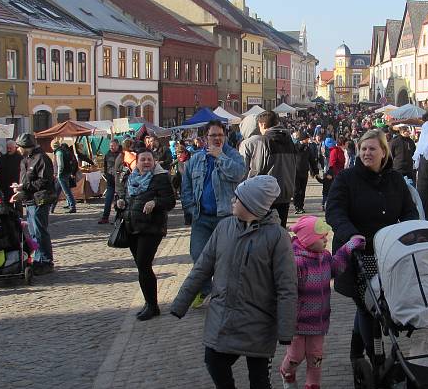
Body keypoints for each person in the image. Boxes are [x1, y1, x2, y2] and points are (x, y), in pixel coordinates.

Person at [170, 175, 297, 389]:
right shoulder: (224, 227)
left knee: (259, 379)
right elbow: (202, 267)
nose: (232, 200)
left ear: (252, 205)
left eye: (238, 198)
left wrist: (287, 329)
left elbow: (287, 286)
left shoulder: (277, 237)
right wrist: (181, 302)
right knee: (213, 361)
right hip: (223, 315)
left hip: (259, 320)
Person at [326, 129, 418, 362]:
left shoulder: (395, 180)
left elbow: (409, 211)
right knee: (368, 306)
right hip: (357, 251)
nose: (367, 153)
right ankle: (375, 357)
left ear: (384, 152)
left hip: (388, 252)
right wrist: (351, 235)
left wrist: (406, 233)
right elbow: (334, 211)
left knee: (373, 304)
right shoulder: (346, 178)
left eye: (372, 148)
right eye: (363, 148)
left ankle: (356, 352)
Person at [279, 215, 364, 389]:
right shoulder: (296, 263)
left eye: (326, 237)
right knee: (295, 356)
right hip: (298, 324)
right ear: (308, 239)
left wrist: (349, 248)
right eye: (322, 237)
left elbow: (336, 267)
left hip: (318, 323)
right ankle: (286, 372)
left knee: (315, 359)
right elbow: (285, 291)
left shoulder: (325, 258)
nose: (326, 240)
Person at [181, 120, 247, 307]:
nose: (217, 138)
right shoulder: (195, 159)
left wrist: (220, 157)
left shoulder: (233, 155)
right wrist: (191, 209)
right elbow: (186, 187)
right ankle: (205, 289)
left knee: (225, 259)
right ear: (205, 138)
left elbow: (239, 174)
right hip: (201, 217)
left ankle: (224, 296)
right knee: (198, 255)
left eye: (220, 135)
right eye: (213, 135)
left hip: (226, 217)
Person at [117, 149, 176, 320]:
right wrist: (119, 203)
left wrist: (155, 202)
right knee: (142, 267)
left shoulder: (161, 178)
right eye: (143, 159)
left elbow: (170, 201)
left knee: (144, 264)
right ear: (137, 161)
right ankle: (149, 301)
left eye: (149, 159)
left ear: (154, 161)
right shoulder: (131, 177)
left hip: (151, 228)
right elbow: (124, 197)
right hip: (132, 226)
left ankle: (152, 305)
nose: (146, 162)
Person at [240, 111, 297, 227]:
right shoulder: (289, 140)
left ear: (262, 125)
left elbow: (257, 170)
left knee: (264, 233)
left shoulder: (265, 141)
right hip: (286, 193)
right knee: (280, 231)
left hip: (267, 195)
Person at [11, 133, 56, 273]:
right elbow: (26, 181)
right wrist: (20, 191)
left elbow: (44, 181)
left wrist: (24, 187)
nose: (17, 149)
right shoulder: (26, 160)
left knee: (40, 231)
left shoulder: (41, 158)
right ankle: (38, 259)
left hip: (40, 200)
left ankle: (46, 261)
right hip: (30, 200)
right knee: (33, 232)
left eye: (19, 146)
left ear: (26, 147)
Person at [293, 131, 319, 215]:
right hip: (296, 172)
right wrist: (303, 145)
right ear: (303, 139)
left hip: (304, 171)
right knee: (297, 190)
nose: (308, 140)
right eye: (307, 138)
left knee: (303, 190)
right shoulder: (295, 147)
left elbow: (312, 160)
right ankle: (297, 206)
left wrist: (316, 171)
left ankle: (301, 206)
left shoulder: (308, 148)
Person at [50, 139, 77, 214]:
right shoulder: (63, 151)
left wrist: (58, 174)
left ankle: (72, 207)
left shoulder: (59, 152)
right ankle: (51, 208)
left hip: (62, 175)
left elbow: (60, 165)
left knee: (66, 192)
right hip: (65, 173)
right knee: (57, 192)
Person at [98, 139, 120, 224]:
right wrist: (106, 175)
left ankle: (118, 218)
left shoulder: (122, 154)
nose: (111, 147)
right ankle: (105, 217)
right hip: (110, 179)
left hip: (119, 180)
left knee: (119, 200)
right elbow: (105, 166)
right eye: (110, 146)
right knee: (108, 199)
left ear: (117, 145)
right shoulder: (108, 154)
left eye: (113, 146)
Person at [0, 140, 23, 204]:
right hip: (5, 187)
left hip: (16, 186)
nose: (9, 150)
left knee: (17, 207)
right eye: (8, 148)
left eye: (11, 148)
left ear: (15, 147)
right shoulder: (2, 159)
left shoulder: (20, 159)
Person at [322, 136, 346, 209]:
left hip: (340, 174)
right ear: (343, 144)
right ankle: (325, 204)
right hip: (334, 175)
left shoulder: (342, 151)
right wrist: (332, 174)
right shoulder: (335, 151)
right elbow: (332, 164)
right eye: (346, 143)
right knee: (329, 191)